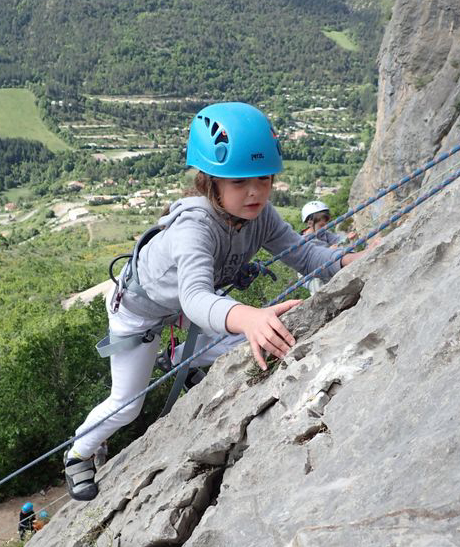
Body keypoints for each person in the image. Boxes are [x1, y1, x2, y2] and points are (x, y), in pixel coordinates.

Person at [63, 102, 359, 501]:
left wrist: (344, 260)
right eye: (239, 183)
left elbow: (304, 255)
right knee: (127, 403)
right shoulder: (194, 227)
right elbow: (195, 295)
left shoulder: (260, 215)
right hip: (140, 314)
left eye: (263, 179)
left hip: (186, 310)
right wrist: (247, 317)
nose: (254, 192)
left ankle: (184, 357)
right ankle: (78, 453)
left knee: (258, 340)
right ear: (211, 182)